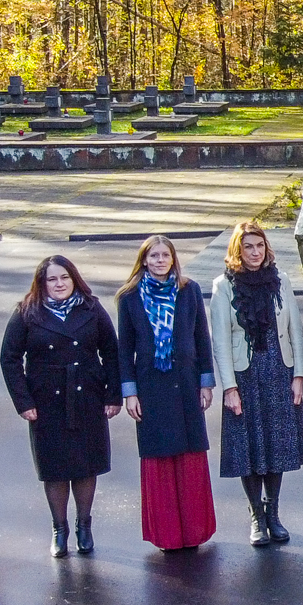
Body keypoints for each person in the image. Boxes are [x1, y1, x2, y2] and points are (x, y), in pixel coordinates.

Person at [0, 255, 121, 557]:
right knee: (54, 468)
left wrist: (112, 395)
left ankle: (84, 524)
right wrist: (23, 401)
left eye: (64, 277)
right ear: (42, 283)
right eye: (52, 279)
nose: (59, 284)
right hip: (46, 401)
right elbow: (10, 359)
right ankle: (59, 527)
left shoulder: (91, 308)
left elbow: (112, 351)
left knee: (85, 464)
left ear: (74, 278)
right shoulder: (27, 312)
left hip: (87, 395)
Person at [210, 222, 303, 547]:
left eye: (259, 246)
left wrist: (298, 376)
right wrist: (229, 387)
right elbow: (221, 342)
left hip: (278, 370)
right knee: (249, 447)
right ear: (237, 250)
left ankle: (274, 513)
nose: (255, 252)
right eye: (248, 246)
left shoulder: (280, 280)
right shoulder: (223, 286)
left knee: (277, 443)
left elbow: (296, 330)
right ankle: (256, 515)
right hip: (244, 374)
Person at [117, 235, 217, 551]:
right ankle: (167, 535)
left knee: (188, 456)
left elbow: (202, 338)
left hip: (186, 383)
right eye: (154, 256)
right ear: (144, 260)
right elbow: (124, 349)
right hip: (150, 386)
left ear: (173, 259)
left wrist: (206, 382)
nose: (160, 260)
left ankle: (194, 531)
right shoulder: (130, 297)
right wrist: (129, 392)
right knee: (160, 456)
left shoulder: (189, 291)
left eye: (166, 255)